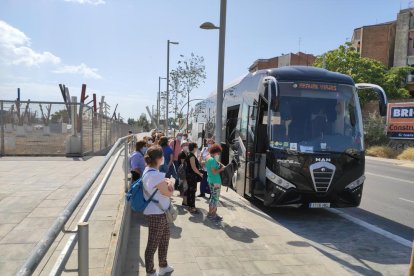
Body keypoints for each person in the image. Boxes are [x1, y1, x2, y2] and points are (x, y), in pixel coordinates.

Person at [142, 146, 175, 276]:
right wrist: (170, 182)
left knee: (164, 238)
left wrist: (166, 181)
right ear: (159, 159)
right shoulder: (155, 175)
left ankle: (163, 265)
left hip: (160, 212)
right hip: (157, 213)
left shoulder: (149, 171)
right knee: (152, 244)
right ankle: (150, 272)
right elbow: (169, 192)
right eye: (162, 157)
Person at [205, 144, 225, 221]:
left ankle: (211, 214)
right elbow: (214, 172)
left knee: (212, 197)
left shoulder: (208, 157)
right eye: (218, 153)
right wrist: (222, 169)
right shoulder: (212, 160)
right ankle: (213, 215)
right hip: (215, 180)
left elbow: (213, 165)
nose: (218, 154)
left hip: (210, 180)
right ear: (215, 151)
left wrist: (219, 164)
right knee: (215, 198)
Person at [185, 142, 203, 213]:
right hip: (192, 176)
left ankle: (190, 206)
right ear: (194, 148)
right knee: (192, 191)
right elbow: (194, 168)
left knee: (190, 191)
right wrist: (200, 173)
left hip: (189, 175)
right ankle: (192, 207)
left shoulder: (189, 154)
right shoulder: (191, 156)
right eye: (196, 147)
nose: (197, 148)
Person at [178, 140, 189, 204]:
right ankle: (184, 202)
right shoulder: (181, 154)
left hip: (185, 172)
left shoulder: (187, 153)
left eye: (187, 145)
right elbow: (183, 163)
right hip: (183, 172)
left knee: (185, 187)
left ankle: (185, 201)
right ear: (182, 146)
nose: (186, 146)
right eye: (184, 145)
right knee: (184, 186)